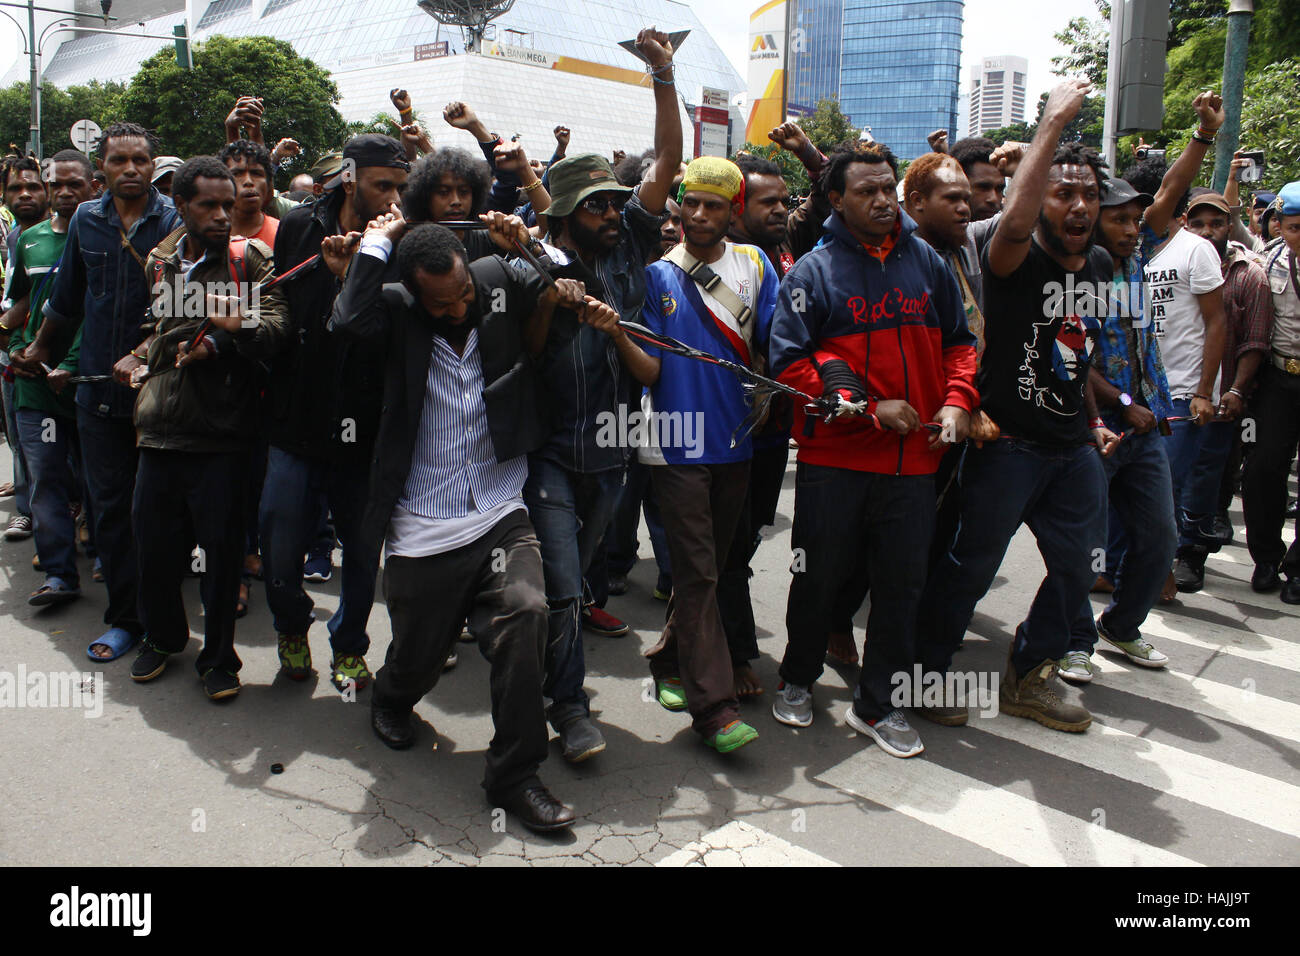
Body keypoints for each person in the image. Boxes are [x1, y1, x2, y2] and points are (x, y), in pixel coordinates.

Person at [331, 218, 592, 832]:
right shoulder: (395, 309)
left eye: (463, 297)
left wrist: (523, 239)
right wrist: (378, 242)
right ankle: (392, 696)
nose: (456, 309)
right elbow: (346, 322)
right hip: (424, 520)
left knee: (528, 612)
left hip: (500, 506)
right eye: (441, 303)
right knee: (419, 656)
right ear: (414, 291)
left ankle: (514, 777)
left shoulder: (494, 278)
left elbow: (567, 279)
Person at [915, 80, 1117, 734]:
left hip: (1071, 450)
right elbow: (1018, 220)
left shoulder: (1101, 267)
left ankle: (1030, 673)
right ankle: (925, 669)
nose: (1079, 205)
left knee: (1080, 566)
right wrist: (1052, 125)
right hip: (1005, 447)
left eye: (1089, 193)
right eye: (1064, 192)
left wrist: (1092, 422)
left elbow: (1075, 355)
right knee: (969, 567)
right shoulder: (1012, 254)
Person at [768, 142, 976, 757]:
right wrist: (864, 405)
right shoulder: (812, 272)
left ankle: (878, 704)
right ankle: (797, 677)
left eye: (888, 188)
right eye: (867, 191)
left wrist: (958, 401)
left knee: (902, 585)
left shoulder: (931, 266)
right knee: (816, 577)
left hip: (916, 464)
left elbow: (960, 342)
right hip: (835, 461)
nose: (883, 201)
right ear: (837, 200)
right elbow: (788, 364)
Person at [127, 156, 288, 699]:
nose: (224, 214)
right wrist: (139, 358)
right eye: (209, 205)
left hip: (222, 434)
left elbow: (274, 330)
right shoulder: (160, 260)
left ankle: (219, 659)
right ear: (180, 205)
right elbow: (156, 327)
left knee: (221, 559)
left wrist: (225, 334)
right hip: (157, 429)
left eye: (230, 203)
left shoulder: (252, 259)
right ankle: (164, 636)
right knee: (153, 550)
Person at [26, 122, 181, 662]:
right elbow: (66, 300)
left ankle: (165, 622)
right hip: (96, 396)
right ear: (104, 170)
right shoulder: (87, 223)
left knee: (156, 514)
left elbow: (189, 310)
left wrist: (143, 355)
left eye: (141, 160)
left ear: (152, 162)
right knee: (111, 513)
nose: (131, 169)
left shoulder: (177, 221)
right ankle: (126, 619)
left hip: (161, 396)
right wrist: (41, 351)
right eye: (120, 161)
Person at [260, 133, 408, 692]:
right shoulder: (300, 227)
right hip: (297, 421)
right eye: (382, 185)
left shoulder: (402, 239)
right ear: (350, 177)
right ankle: (292, 627)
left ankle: (349, 646)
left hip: (365, 428)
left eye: (400, 186)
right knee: (278, 549)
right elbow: (288, 316)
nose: (393, 197)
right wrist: (330, 278)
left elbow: (381, 330)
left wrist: (359, 273)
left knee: (362, 554)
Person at [640, 156, 778, 753]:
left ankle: (668, 659)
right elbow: (649, 368)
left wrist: (770, 390)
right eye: (690, 203)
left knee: (711, 570)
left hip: (737, 442)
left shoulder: (755, 264)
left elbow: (773, 341)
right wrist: (619, 334)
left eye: (713, 205)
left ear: (733, 210)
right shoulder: (657, 275)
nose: (698, 215)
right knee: (698, 571)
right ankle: (714, 709)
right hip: (677, 447)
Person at [1121, 148, 1226, 597]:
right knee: (1127, 496)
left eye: (1138, 215)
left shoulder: (1187, 249)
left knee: (1165, 492)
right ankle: (1128, 573)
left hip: (1173, 395)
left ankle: (1158, 576)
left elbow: (1218, 320)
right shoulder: (1118, 256)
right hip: (1125, 400)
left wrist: (1205, 390)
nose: (1135, 223)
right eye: (1124, 214)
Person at [3, 150, 94, 607]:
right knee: (46, 478)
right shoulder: (29, 240)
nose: (62, 192)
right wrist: (18, 351)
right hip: (37, 386)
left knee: (101, 479)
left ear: (93, 186)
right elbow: (19, 304)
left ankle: (102, 553)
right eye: (55, 184)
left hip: (89, 384)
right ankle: (59, 574)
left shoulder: (106, 237)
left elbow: (102, 312)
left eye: (72, 184)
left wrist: (73, 363)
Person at [1177, 190, 1274, 591]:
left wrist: (1234, 391)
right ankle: (1159, 552)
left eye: (1216, 223)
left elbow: (1255, 342)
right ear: (1185, 223)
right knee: (1167, 476)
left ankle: (1191, 554)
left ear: (1230, 224)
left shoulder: (1249, 274)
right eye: (1198, 223)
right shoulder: (1173, 262)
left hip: (1220, 400)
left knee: (1205, 478)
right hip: (1176, 392)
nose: (1207, 231)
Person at [1242, 182, 1300, 604]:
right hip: (1279, 379)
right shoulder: (1270, 260)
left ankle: (1298, 568)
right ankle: (1266, 558)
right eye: (1295, 227)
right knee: (1263, 469)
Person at [0, 156, 48, 542]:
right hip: (12, 350)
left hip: (47, 353)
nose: (25, 194)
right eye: (16, 188)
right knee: (18, 434)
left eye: (33, 186)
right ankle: (25, 511)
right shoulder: (16, 236)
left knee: (51, 441)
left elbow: (37, 299)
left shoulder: (63, 232)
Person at [218, 140, 279, 247]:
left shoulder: (282, 234)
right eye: (237, 174)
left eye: (257, 173)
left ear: (268, 183)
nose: (248, 181)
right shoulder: (208, 236)